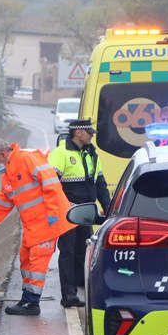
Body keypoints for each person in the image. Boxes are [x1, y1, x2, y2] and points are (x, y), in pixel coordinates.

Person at [0, 138, 75, 316]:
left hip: (48, 221)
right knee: (26, 258)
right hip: (34, 224)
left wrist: (53, 213)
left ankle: (32, 303)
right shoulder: (9, 173)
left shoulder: (27, 159)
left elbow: (51, 185)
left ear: (3, 154)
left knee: (37, 261)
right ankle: (27, 298)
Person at [48, 120, 111, 307]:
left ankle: (79, 283)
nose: (92, 135)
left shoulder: (91, 153)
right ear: (78, 133)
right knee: (67, 251)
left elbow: (100, 183)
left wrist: (108, 208)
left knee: (83, 250)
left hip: (85, 212)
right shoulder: (61, 153)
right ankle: (68, 295)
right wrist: (57, 209)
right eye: (89, 132)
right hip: (68, 211)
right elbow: (51, 186)